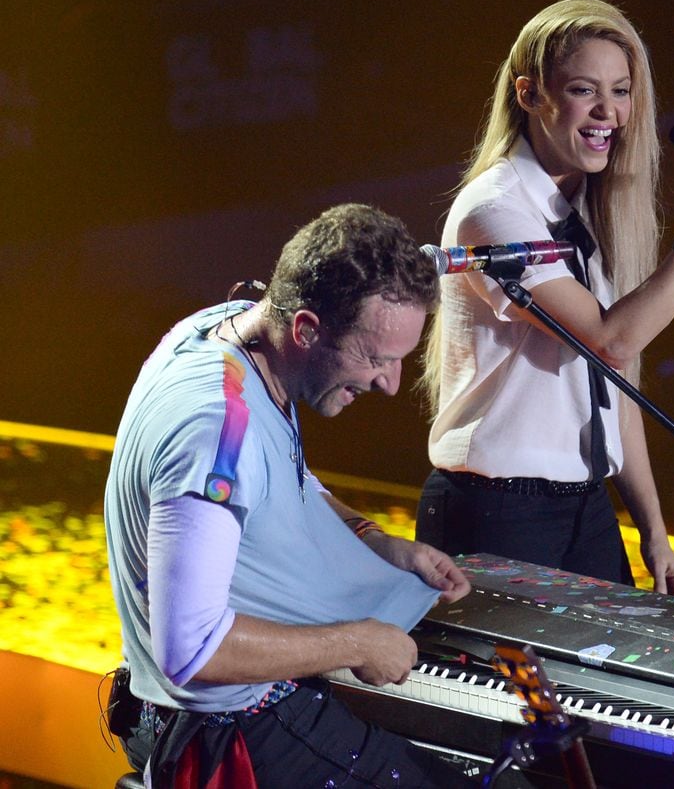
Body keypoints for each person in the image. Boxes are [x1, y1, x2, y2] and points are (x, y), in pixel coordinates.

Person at [104, 204, 476, 787]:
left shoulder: (222, 327)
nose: (389, 383)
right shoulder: (216, 428)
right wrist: (359, 643)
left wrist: (375, 541)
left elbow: (288, 477)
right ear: (305, 328)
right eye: (376, 358)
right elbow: (192, 650)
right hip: (227, 731)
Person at [418, 0, 674, 598]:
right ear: (529, 95)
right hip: (501, 511)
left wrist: (653, 530)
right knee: (515, 692)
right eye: (585, 90)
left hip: (586, 507)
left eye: (623, 92)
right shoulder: (496, 211)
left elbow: (617, 381)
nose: (610, 112)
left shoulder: (580, 212)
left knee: (613, 686)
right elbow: (609, 340)